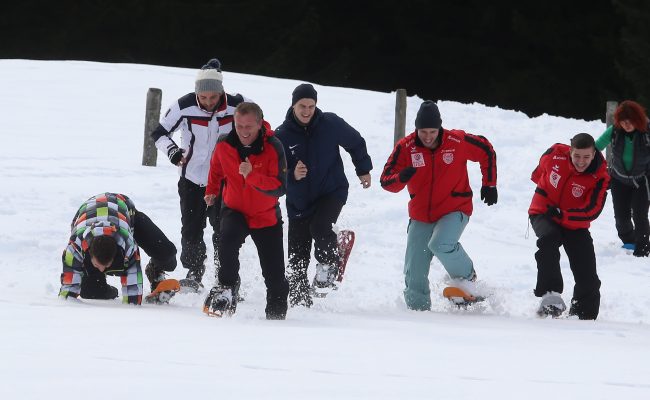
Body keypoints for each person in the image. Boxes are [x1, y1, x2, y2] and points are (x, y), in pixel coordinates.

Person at [380, 100, 498, 311]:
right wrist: (401, 177)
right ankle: (419, 315)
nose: (427, 136)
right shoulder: (406, 147)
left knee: (441, 243)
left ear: (439, 128)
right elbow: (386, 180)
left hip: (455, 208)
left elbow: (486, 150)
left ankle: (468, 279)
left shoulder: (457, 141)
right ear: (416, 129)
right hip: (421, 215)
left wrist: (489, 184)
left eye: (432, 131)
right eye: (423, 131)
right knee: (413, 272)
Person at [151, 58, 250, 288]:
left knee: (224, 230)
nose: (207, 102)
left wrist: (247, 156)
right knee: (191, 230)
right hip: (192, 179)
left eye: (213, 97)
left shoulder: (238, 104)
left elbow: (260, 128)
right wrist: (174, 152)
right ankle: (194, 272)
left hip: (225, 181)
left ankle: (226, 276)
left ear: (221, 92)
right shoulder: (183, 105)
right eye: (203, 98)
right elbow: (159, 133)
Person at [274, 83, 373, 307]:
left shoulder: (330, 123)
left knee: (319, 227)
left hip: (332, 191)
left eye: (311, 106)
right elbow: (273, 170)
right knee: (296, 259)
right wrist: (291, 174)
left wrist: (363, 169)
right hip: (299, 201)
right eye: (302, 106)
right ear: (293, 105)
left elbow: (355, 142)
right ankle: (300, 303)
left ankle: (329, 263)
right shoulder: (281, 135)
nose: (307, 111)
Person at [203, 102, 289, 319]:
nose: (243, 131)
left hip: (266, 215)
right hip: (235, 209)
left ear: (260, 124)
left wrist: (251, 176)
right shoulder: (224, 144)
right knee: (226, 242)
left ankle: (277, 317)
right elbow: (216, 169)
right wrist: (212, 191)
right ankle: (227, 288)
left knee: (275, 275)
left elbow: (280, 187)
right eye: (239, 126)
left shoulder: (274, 147)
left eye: (249, 126)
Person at [528, 133, 610, 319]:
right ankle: (551, 296)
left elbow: (592, 210)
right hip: (543, 212)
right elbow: (539, 172)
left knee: (587, 274)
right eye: (577, 156)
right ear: (569, 152)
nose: (581, 162)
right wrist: (545, 199)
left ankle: (583, 317)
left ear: (594, 153)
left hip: (575, 222)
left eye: (586, 157)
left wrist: (564, 214)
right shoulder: (555, 152)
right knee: (549, 238)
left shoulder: (601, 176)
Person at [59, 193, 177, 305]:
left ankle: (154, 270)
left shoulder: (127, 244)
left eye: (105, 266)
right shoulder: (76, 246)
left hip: (125, 210)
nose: (101, 269)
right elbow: (68, 292)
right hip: (87, 214)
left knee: (167, 253)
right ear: (89, 252)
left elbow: (133, 297)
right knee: (92, 292)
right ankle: (102, 285)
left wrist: (132, 303)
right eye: (96, 264)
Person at [595, 100, 650, 257]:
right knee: (621, 217)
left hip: (642, 180)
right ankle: (629, 241)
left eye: (630, 121)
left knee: (640, 215)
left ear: (637, 119)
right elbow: (596, 146)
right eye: (623, 122)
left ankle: (643, 247)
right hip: (618, 180)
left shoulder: (647, 132)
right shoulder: (614, 131)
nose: (626, 125)